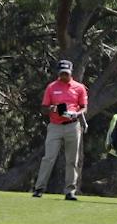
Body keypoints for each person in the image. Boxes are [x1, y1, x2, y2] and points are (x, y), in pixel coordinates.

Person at [33, 60, 88, 200]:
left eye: (66, 73)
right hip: (55, 126)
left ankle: (70, 191)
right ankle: (39, 188)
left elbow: (83, 106)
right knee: (49, 158)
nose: (64, 75)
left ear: (71, 72)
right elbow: (44, 107)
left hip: (73, 125)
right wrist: (52, 108)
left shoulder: (79, 88)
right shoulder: (51, 87)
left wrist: (77, 113)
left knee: (72, 160)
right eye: (62, 73)